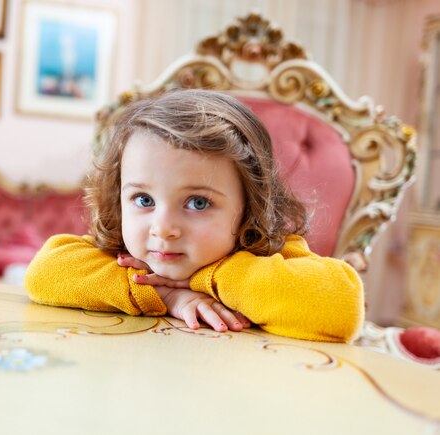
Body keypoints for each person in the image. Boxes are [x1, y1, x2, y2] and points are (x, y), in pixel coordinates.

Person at [24, 89, 364, 343]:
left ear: (249, 206)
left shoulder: (269, 255)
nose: (163, 229)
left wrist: (207, 278)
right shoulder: (122, 258)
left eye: (198, 203)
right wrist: (166, 295)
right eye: (143, 199)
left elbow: (342, 307)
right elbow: (44, 274)